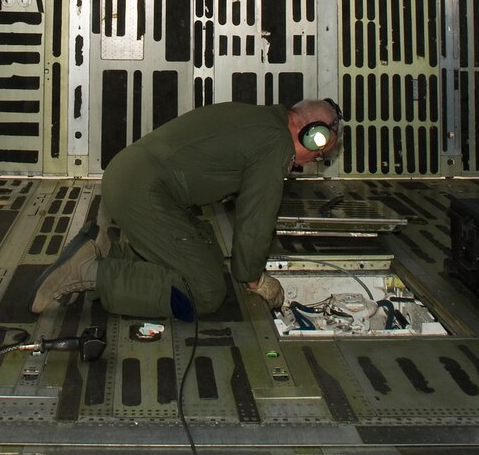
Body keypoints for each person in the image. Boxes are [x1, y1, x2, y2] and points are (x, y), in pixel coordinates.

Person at [30, 98, 345, 319]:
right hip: (142, 191)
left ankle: (108, 252)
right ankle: (93, 273)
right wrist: (253, 279)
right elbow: (255, 218)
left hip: (136, 179)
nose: (311, 163)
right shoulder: (276, 144)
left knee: (207, 255)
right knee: (206, 292)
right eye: (318, 155)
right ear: (314, 135)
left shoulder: (263, 120)